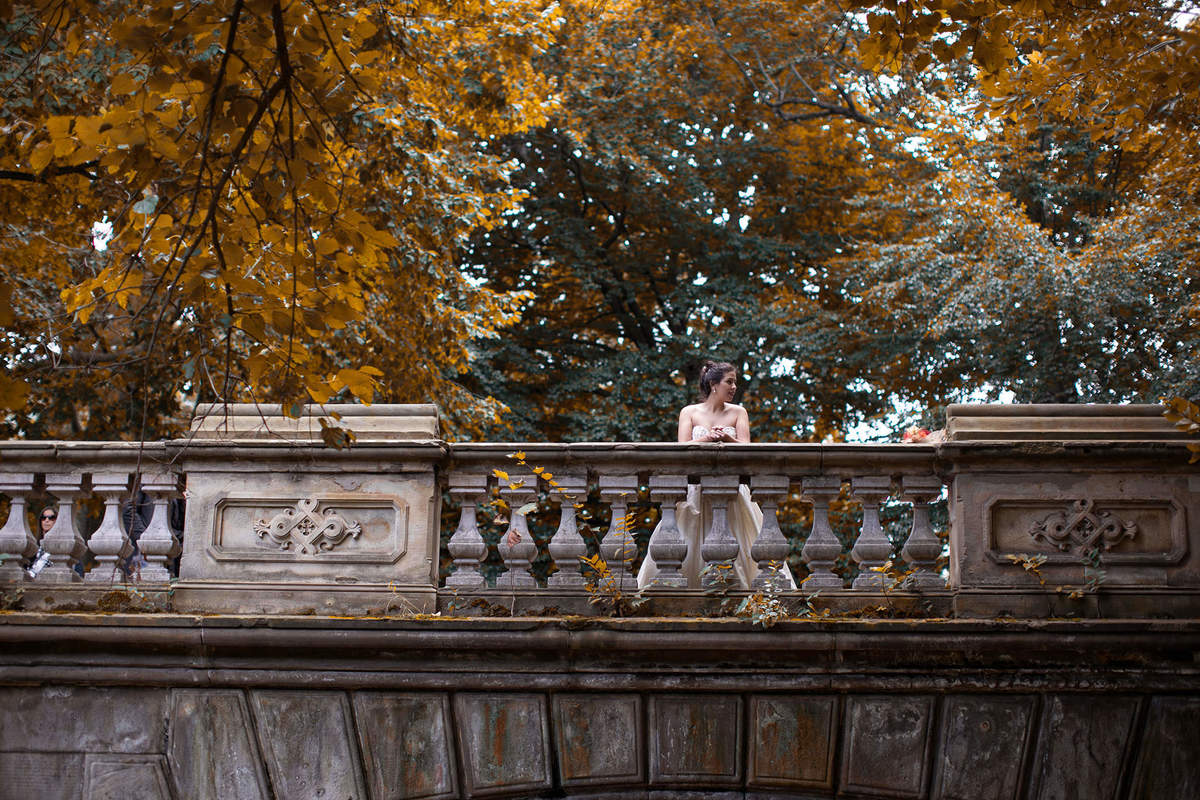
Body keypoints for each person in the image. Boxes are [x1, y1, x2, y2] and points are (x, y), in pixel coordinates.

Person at [638, 361, 796, 590]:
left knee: (742, 540)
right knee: (687, 539)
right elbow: (680, 448)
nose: (734, 387)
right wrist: (707, 439)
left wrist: (730, 440)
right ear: (714, 384)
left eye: (735, 383)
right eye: (729, 382)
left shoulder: (739, 412)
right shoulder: (689, 412)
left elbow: (748, 449)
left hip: (732, 491)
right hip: (696, 490)